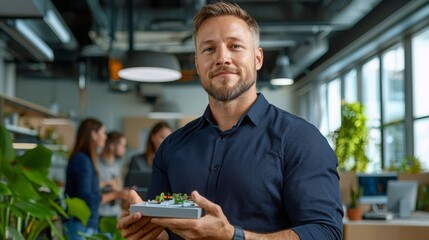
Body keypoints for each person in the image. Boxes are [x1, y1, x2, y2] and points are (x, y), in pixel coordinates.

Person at [117, 2, 343, 240]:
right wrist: (143, 230)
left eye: (235, 46)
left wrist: (234, 236)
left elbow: (325, 233)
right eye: (209, 49)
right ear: (197, 64)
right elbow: (165, 232)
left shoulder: (301, 139)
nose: (222, 58)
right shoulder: (172, 147)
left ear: (257, 58)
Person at [63, 118, 106, 239]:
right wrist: (116, 195)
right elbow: (86, 197)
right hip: (80, 224)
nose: (105, 137)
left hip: (84, 223)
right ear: (93, 134)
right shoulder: (82, 160)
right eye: (103, 133)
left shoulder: (85, 159)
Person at [98, 131, 129, 219]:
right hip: (100, 214)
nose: (124, 149)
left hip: (115, 214)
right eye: (122, 145)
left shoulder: (117, 166)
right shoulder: (96, 164)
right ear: (112, 146)